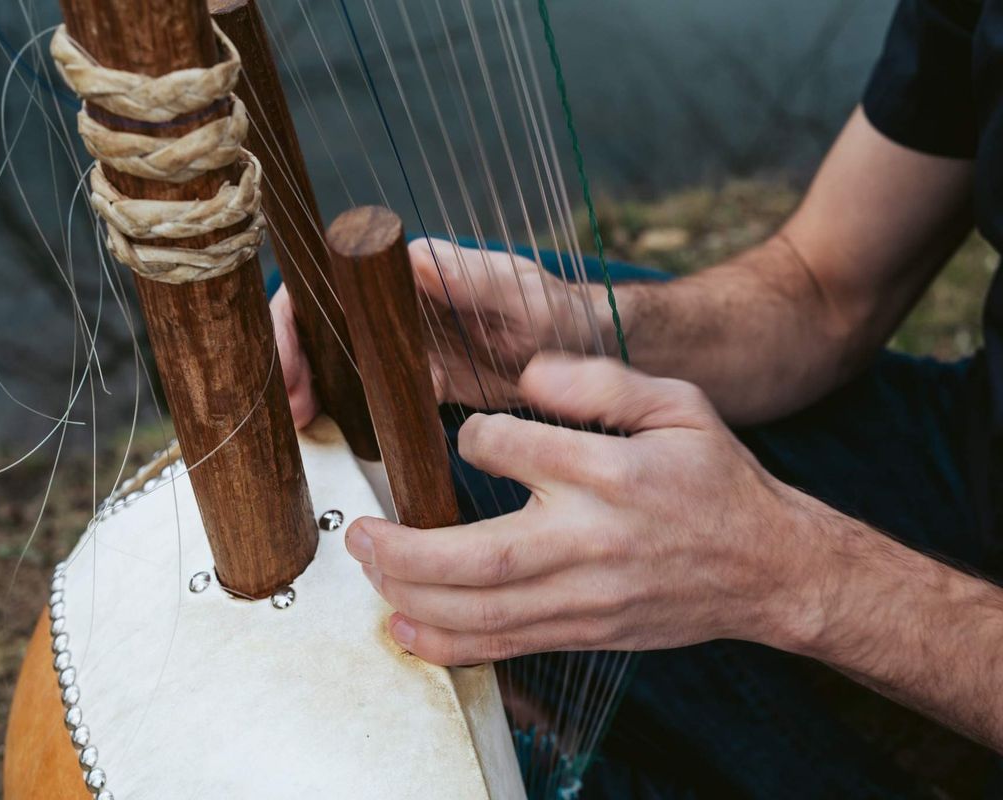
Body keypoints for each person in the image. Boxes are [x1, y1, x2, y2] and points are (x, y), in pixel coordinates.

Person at [271, 1, 1002, 795]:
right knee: (357, 344)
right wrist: (579, 326)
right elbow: (828, 291)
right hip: (973, 450)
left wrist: (791, 571)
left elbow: (787, 567)